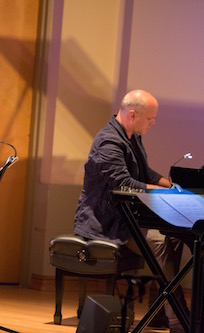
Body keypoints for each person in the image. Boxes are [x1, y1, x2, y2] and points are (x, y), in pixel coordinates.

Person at [73, 89, 188, 333]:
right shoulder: (108, 141)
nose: (153, 123)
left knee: (176, 236)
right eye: (150, 118)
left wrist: (174, 186)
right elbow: (123, 184)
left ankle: (159, 312)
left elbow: (145, 174)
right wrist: (164, 193)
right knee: (159, 241)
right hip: (106, 222)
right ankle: (179, 321)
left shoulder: (132, 136)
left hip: (127, 218)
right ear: (133, 114)